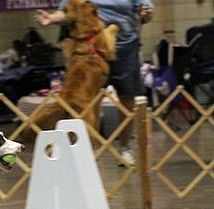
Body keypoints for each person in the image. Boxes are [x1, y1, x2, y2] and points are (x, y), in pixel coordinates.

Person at [35, 0, 154, 166]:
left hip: (125, 47)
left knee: (127, 97)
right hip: (92, 51)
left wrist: (146, 13)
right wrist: (51, 18)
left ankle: (125, 148)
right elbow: (67, 11)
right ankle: (89, 150)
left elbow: (146, 11)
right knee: (89, 102)